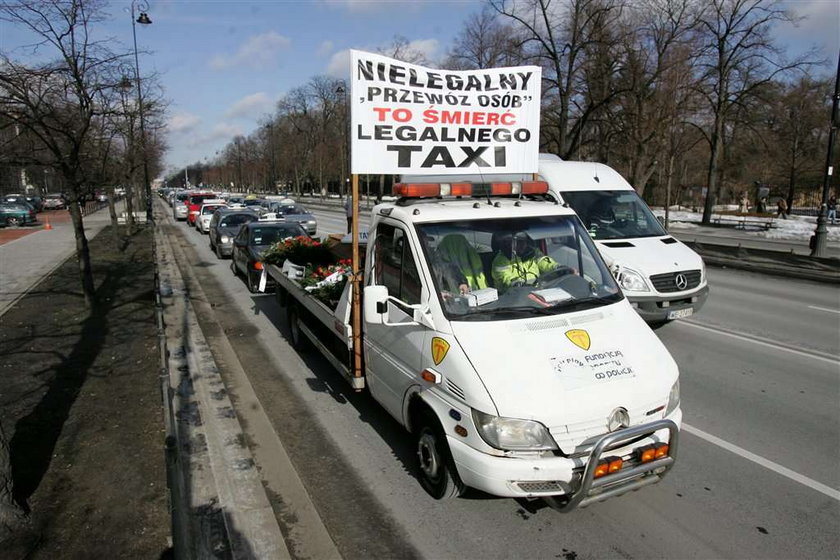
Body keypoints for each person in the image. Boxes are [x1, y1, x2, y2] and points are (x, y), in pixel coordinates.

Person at [491, 231, 559, 291]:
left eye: (524, 242)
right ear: (510, 244)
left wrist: (557, 268)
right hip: (512, 297)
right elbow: (505, 278)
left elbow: (544, 262)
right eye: (519, 242)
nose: (523, 245)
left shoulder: (532, 253)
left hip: (537, 291)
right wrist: (517, 284)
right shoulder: (501, 260)